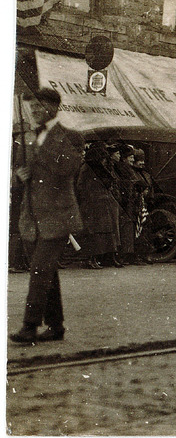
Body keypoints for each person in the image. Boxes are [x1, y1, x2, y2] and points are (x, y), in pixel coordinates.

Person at [9, 88, 83, 344]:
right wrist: (19, 175)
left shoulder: (71, 137)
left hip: (58, 217)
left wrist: (42, 149)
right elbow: (18, 172)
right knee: (45, 271)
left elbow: (69, 169)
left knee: (40, 270)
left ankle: (29, 327)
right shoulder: (27, 138)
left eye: (39, 107)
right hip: (31, 218)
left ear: (53, 107)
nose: (35, 112)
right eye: (32, 108)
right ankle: (56, 326)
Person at [75, 142, 121, 269]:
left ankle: (100, 258)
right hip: (91, 204)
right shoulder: (87, 168)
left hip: (101, 203)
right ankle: (90, 259)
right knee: (92, 232)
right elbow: (80, 186)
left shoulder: (98, 168)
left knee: (103, 232)